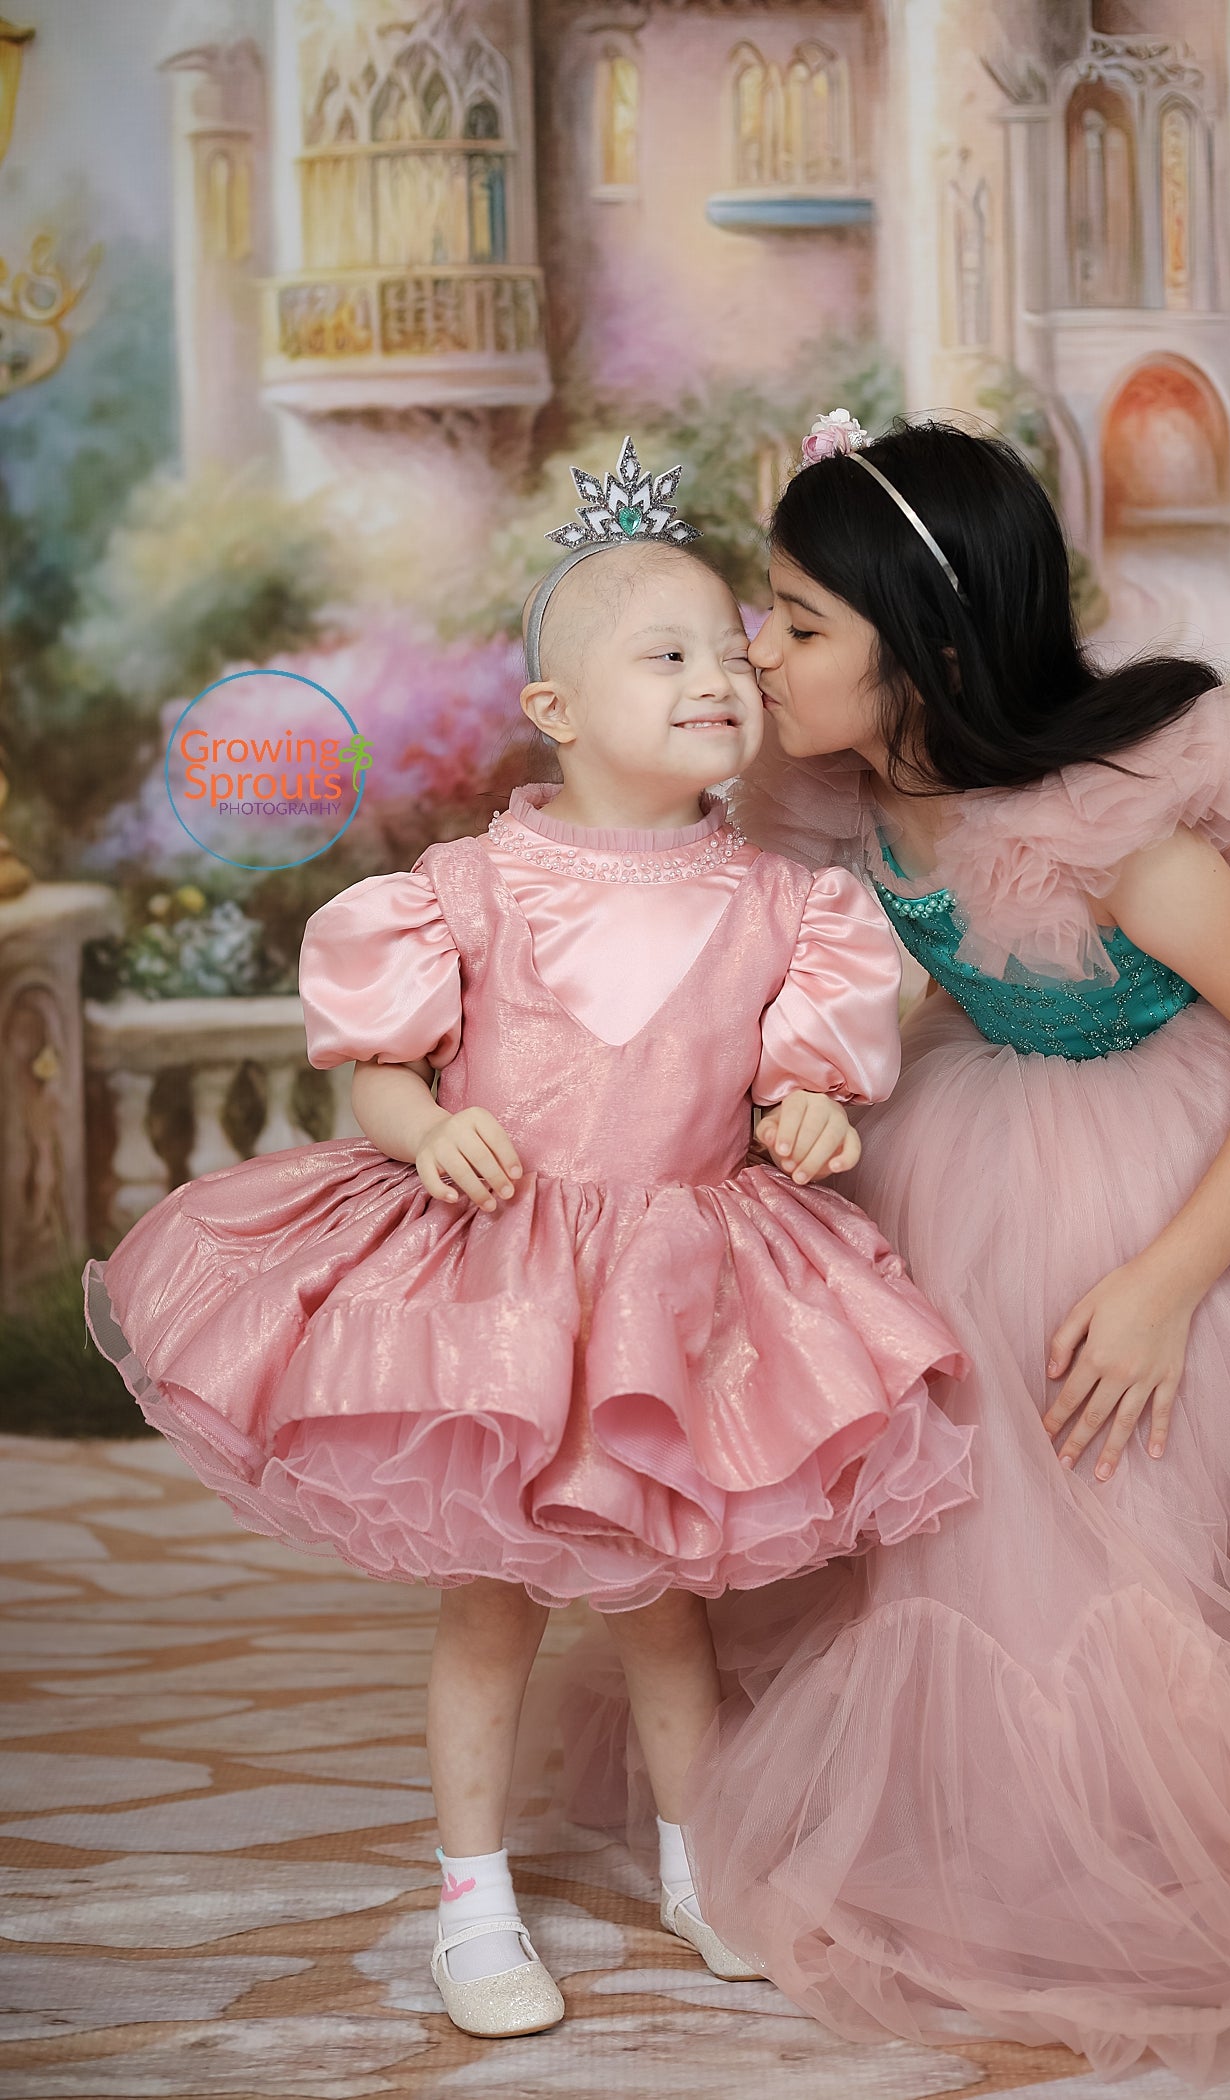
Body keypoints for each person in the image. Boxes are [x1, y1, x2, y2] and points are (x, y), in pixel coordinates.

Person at [80, 438, 973, 2043]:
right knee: (489, 1603)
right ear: (555, 711)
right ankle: (472, 1893)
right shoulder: (466, 889)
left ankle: (706, 1871)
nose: (721, 676)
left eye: (731, 648)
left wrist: (812, 1121)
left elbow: (799, 1079)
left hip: (673, 1300)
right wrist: (427, 1129)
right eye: (668, 652)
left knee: (663, 1609)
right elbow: (372, 1070)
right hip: (496, 1292)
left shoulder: (787, 905)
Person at [605, 411, 1230, 2086]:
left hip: (1188, 1158)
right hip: (980, 1142)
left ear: (930, 650)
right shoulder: (840, 796)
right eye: (767, 608)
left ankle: (1174, 1767)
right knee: (955, 1473)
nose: (763, 646)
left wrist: (1170, 1279)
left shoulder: (1112, 828)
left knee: (1143, 1467)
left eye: (802, 621)